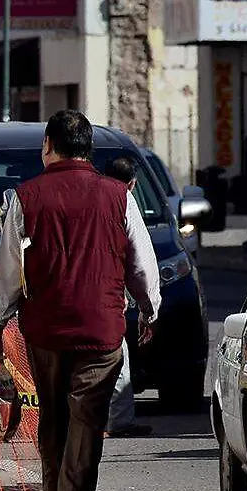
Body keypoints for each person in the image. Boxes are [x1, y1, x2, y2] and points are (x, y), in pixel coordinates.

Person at [0, 110, 161, 491]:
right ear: (89, 150)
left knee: (54, 418)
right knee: (88, 419)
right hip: (101, 330)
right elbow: (141, 262)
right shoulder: (119, 196)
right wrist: (149, 311)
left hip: (45, 331)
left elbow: (7, 272)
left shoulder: (26, 197)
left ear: (48, 145)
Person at [101, 156, 153, 438]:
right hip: (106, 302)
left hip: (60, 302)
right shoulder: (123, 200)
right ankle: (117, 422)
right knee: (117, 361)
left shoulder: (84, 196)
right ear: (132, 184)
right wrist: (148, 308)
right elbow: (140, 264)